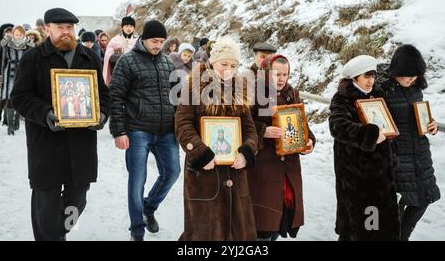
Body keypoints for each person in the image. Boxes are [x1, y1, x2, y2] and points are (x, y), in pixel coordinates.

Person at [10, 8, 110, 241]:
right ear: (47, 29)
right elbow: (20, 97)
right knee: (46, 201)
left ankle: (57, 232)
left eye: (70, 28)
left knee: (79, 196)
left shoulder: (89, 57)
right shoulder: (33, 58)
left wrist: (102, 115)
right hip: (46, 143)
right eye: (60, 28)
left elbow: (104, 95)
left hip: (81, 143)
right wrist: (46, 114)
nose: (66, 32)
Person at [175, 38, 258, 241]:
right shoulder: (193, 87)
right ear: (213, 63)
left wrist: (247, 151)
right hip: (204, 175)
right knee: (204, 232)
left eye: (233, 66)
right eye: (223, 64)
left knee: (237, 233)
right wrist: (201, 153)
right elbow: (182, 125)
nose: (228, 70)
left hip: (235, 175)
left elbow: (249, 129)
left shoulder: (240, 91)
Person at [109, 20, 180, 241]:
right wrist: (118, 131)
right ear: (144, 39)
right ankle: (137, 231)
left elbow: (177, 98)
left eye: (161, 41)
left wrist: (180, 126)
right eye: (154, 41)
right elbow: (116, 96)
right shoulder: (126, 61)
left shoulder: (169, 64)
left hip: (166, 131)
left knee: (172, 173)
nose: (158, 45)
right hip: (137, 129)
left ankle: (149, 208)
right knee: (137, 180)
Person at [328, 55, 400, 241]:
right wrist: (369, 135)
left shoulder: (377, 95)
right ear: (355, 78)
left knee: (381, 227)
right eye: (366, 76)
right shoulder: (343, 98)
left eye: (373, 76)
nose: (371, 81)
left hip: (382, 175)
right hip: (357, 177)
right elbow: (338, 126)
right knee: (361, 228)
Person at [248, 54, 315, 241]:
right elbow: (242, 124)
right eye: (276, 74)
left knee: (280, 219)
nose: (281, 78)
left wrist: (308, 141)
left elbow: (301, 123)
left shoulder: (291, 93)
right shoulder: (253, 93)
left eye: (285, 74)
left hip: (288, 167)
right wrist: (264, 131)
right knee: (263, 222)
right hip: (263, 167)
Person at [378, 45, 440, 241]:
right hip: (396, 156)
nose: (411, 79)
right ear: (397, 71)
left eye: (415, 75)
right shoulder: (382, 89)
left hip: (419, 154)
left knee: (424, 198)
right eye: (407, 75)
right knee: (395, 204)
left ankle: (401, 236)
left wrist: (432, 125)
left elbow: (418, 116)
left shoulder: (415, 90)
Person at [0, 25, 32, 135]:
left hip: (23, 73)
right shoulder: (6, 44)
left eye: (20, 34)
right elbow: (2, 60)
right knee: (9, 98)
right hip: (9, 73)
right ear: (13, 34)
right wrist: (0, 76)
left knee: (20, 97)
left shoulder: (28, 45)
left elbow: (31, 61)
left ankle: (17, 119)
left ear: (23, 34)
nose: (18, 36)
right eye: (16, 34)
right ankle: (10, 126)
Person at [103, 16, 138, 85]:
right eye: (127, 26)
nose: (129, 28)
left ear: (134, 28)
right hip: (118, 73)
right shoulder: (114, 40)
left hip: (135, 73)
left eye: (131, 26)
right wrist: (120, 56)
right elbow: (108, 57)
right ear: (122, 27)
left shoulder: (137, 40)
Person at [0, 23, 14, 123]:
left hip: (8, 73)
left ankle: (6, 118)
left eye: (10, 32)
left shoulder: (13, 44)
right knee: (0, 95)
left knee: (7, 95)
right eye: (6, 32)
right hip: (0, 71)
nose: (8, 34)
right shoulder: (0, 43)